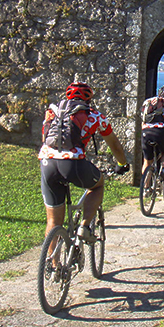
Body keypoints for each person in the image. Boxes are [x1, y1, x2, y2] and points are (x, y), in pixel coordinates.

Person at [39, 82, 130, 243]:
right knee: (98, 184)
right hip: (72, 164)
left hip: (47, 163)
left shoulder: (51, 113)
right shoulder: (94, 115)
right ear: (89, 99)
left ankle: (52, 265)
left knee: (53, 222)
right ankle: (85, 226)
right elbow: (114, 144)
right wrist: (122, 163)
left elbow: (45, 138)